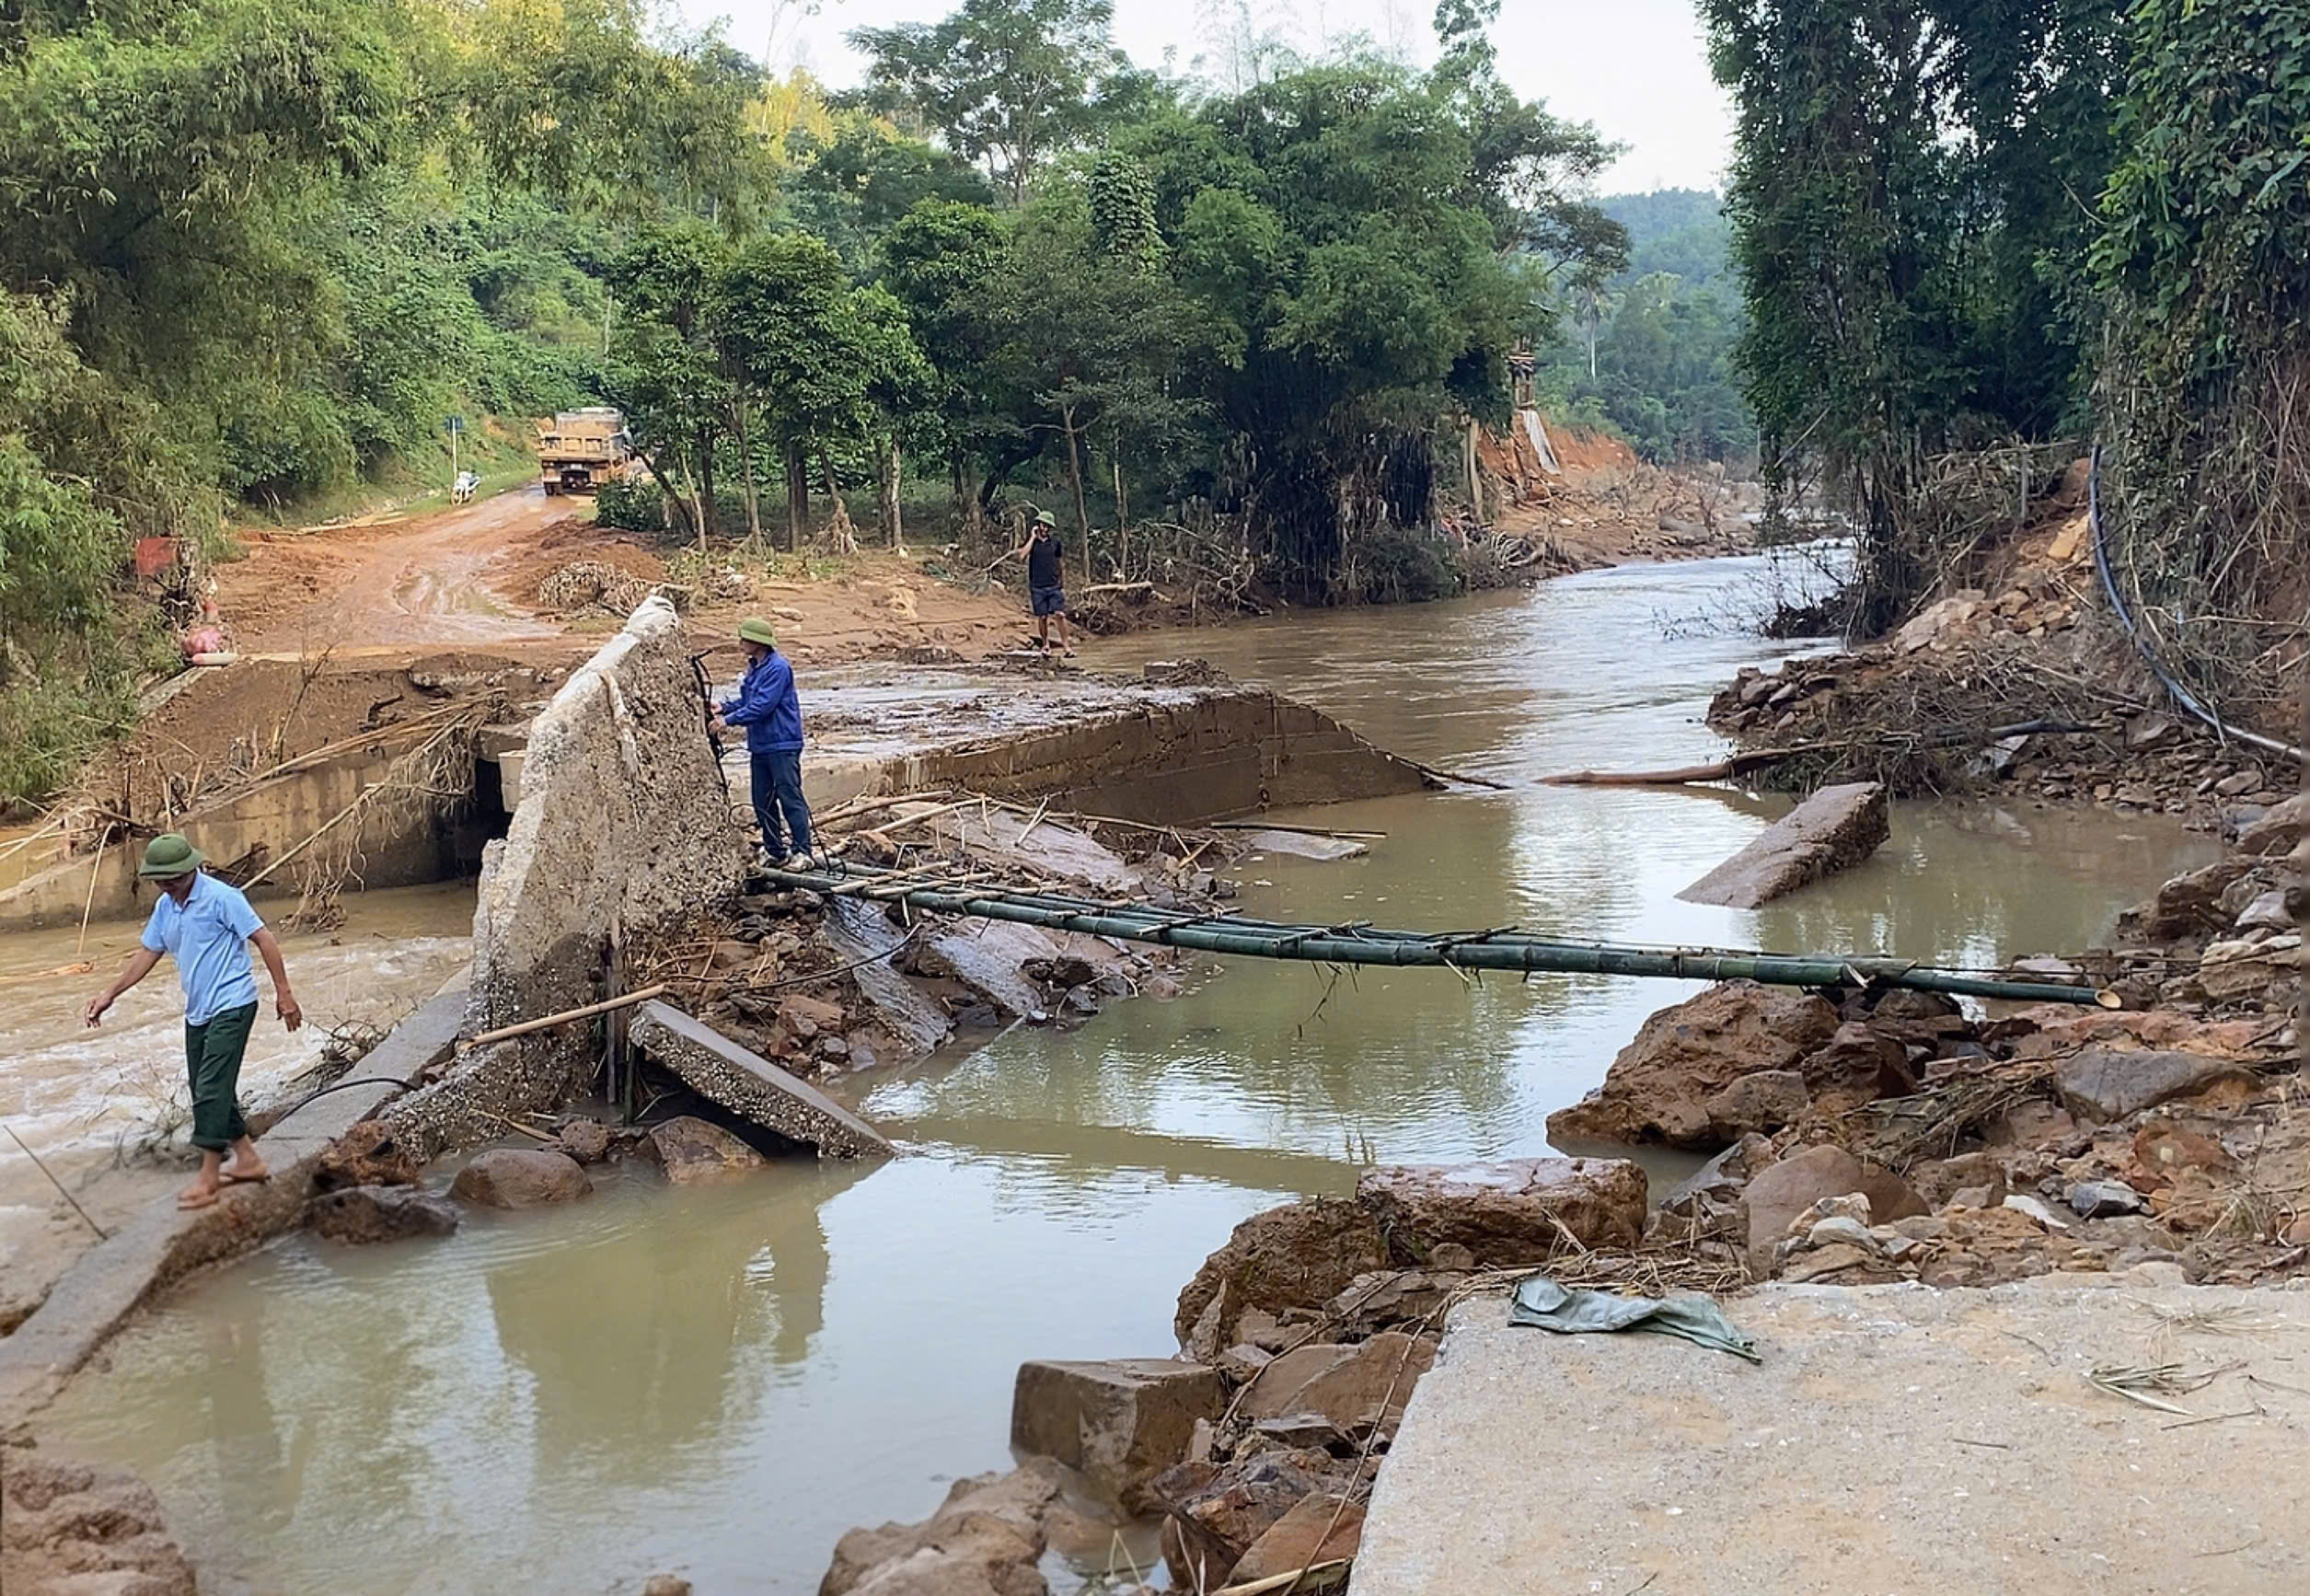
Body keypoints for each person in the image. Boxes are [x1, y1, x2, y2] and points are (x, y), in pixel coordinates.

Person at [85, 833, 303, 1209]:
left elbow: (265, 939)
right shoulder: (165, 906)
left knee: (212, 1088)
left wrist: (284, 994)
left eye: (175, 878)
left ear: (193, 869)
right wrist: (110, 994)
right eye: (161, 880)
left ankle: (208, 1177)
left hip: (234, 1004)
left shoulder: (223, 898)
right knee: (207, 1088)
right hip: (198, 1011)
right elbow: (148, 953)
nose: (169, 885)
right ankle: (248, 1160)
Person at [712, 617, 814, 867]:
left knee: (789, 797)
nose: (740, 643)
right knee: (762, 800)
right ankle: (774, 850)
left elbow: (762, 706)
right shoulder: (755, 668)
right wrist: (724, 707)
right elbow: (748, 701)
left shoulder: (778, 668)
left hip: (782, 744)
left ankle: (803, 851)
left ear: (758, 642)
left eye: (744, 639)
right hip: (761, 745)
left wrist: (727, 721)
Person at [1006, 509, 1074, 655]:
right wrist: (1032, 537)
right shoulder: (1033, 544)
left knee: (1060, 615)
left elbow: (1059, 563)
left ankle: (1066, 646)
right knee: (1042, 617)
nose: (1044, 528)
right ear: (1038, 525)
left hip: (1054, 585)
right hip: (1037, 586)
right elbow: (1022, 555)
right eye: (1043, 525)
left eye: (1047, 526)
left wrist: (1062, 583)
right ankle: (1045, 645)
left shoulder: (1055, 543)